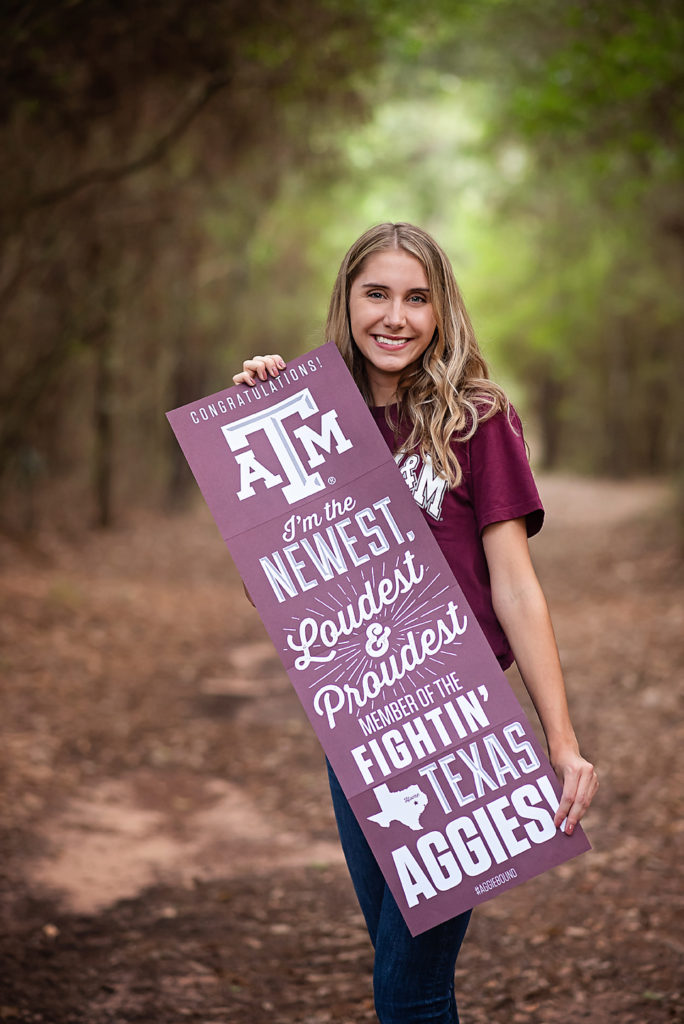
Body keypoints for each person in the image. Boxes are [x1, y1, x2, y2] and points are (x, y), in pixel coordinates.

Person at [232, 222, 598, 1024]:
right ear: (347, 302)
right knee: (399, 963)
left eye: (416, 297)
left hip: (458, 722)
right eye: (377, 294)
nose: (395, 317)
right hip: (357, 726)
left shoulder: (478, 418)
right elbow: (282, 590)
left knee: (411, 983)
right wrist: (259, 417)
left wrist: (559, 739)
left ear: (441, 311)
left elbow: (515, 587)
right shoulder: (305, 424)